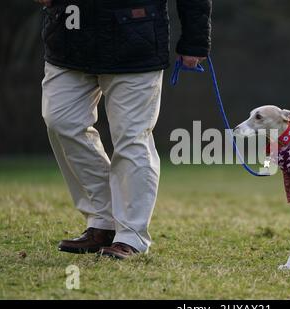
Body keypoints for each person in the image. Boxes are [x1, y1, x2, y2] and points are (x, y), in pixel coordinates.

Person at [36, 0, 212, 259]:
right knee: (60, 121)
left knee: (131, 138)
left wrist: (194, 40)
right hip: (68, 38)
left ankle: (131, 235)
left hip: (135, 40)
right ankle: (104, 219)